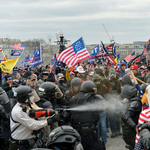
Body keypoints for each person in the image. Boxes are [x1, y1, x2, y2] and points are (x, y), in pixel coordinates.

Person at [69, 81, 105, 150]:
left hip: (76, 133)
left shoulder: (73, 98)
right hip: (89, 133)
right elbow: (103, 107)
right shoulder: (93, 98)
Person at [121, 74, 142, 150]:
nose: (133, 79)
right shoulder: (134, 101)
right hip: (130, 128)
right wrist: (135, 126)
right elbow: (126, 115)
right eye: (131, 78)